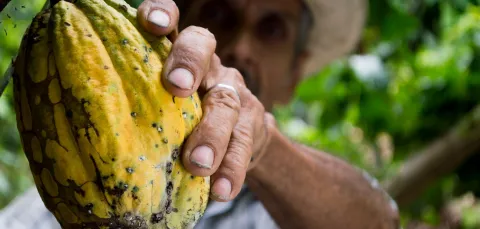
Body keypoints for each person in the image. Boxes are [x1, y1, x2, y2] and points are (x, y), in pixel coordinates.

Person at [0, 0, 401, 228]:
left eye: (272, 28)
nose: (242, 46)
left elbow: (380, 222)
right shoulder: (62, 194)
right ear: (175, 26)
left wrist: (261, 145)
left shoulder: (295, 207)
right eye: (220, 13)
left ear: (295, 73)